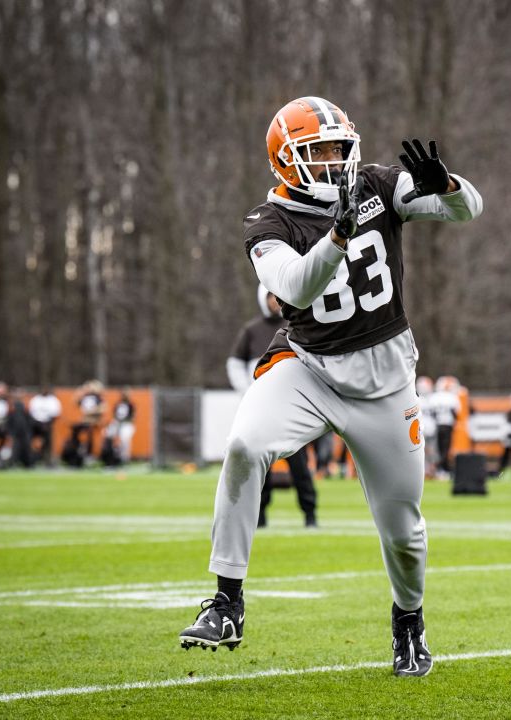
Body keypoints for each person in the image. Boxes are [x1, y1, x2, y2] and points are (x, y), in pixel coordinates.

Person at [178, 97, 483, 679]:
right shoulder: (268, 223)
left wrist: (446, 183)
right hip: (309, 366)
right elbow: (293, 287)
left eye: (339, 148)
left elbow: (468, 210)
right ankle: (226, 601)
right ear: (286, 163)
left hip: (386, 380)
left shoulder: (376, 184)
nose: (333, 160)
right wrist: (340, 234)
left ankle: (409, 623)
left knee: (405, 532)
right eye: (318, 151)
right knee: (244, 446)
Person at [227, 285, 318, 528]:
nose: (274, 302)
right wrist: (248, 391)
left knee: (299, 466)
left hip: (290, 409)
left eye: (278, 297)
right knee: (259, 464)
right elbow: (235, 364)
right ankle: (260, 516)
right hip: (261, 411)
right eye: (270, 297)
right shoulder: (251, 330)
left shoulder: (296, 325)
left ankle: (310, 514)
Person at [430, 376, 462, 480]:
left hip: (438, 425)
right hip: (448, 425)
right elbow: (456, 412)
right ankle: (442, 468)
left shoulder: (435, 397)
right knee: (445, 449)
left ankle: (442, 469)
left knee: (440, 449)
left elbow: (432, 412)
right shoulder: (452, 397)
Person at [29, 387, 62, 466]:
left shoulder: (53, 400)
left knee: (48, 443)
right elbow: (31, 412)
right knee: (31, 441)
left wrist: (47, 423)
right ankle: (31, 459)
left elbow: (56, 413)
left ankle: (48, 461)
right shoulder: (36, 399)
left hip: (48, 423)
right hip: (35, 423)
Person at [415, 376, 440, 478]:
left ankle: (425, 471)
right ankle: (431, 471)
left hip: (419, 429)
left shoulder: (416, 399)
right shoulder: (433, 399)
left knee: (421, 452)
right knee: (431, 452)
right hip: (430, 428)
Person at [104, 390, 137, 465]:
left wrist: (123, 421)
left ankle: (124, 458)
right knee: (108, 435)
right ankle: (110, 455)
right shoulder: (118, 404)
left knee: (124, 439)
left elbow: (133, 417)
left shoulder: (131, 405)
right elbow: (115, 415)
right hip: (117, 423)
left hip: (126, 424)